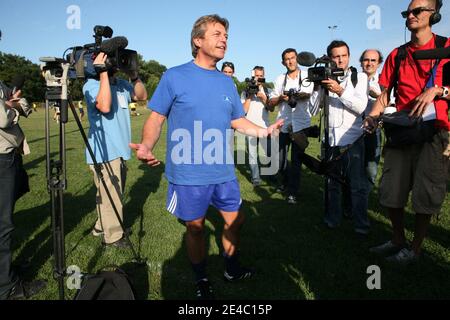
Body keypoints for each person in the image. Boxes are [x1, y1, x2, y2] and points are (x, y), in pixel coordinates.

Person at [130, 14, 282, 300]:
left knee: (236, 221)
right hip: (188, 174)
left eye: (225, 35)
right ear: (198, 41)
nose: (224, 39)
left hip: (223, 172)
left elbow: (237, 120)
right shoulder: (174, 76)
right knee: (196, 228)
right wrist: (147, 145)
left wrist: (264, 131)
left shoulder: (227, 83)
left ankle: (231, 269)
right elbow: (156, 117)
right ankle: (201, 278)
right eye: (216, 34)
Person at [365, 0, 450, 264]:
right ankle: (398, 238)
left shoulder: (447, 48)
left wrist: (438, 90)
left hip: (434, 132)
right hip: (401, 132)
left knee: (426, 193)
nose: (411, 16)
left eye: (418, 11)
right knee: (391, 190)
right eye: (408, 12)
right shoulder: (397, 54)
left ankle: (415, 248)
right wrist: (372, 116)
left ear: (433, 15)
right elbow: (384, 94)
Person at [83, 52, 148, 248]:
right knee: (111, 194)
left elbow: (142, 96)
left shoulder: (120, 84)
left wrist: (134, 75)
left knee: (110, 193)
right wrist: (102, 74)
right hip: (104, 150)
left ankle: (101, 226)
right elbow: (103, 106)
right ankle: (113, 237)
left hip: (119, 149)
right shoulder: (92, 85)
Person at [310, 40, 370, 235]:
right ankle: (332, 221)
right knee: (332, 185)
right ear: (329, 58)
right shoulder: (325, 78)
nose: (340, 60)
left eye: (344, 55)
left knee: (357, 186)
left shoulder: (358, 77)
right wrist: (318, 87)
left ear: (349, 57)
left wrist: (340, 90)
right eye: (336, 56)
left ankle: (361, 225)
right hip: (330, 140)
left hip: (353, 140)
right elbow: (312, 110)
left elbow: (361, 107)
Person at [0, 80, 45, 299]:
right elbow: (2, 118)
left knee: (5, 220)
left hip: (9, 155)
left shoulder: (2, 83)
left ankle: (5, 272)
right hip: (1, 158)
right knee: (3, 225)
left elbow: (24, 106)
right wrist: (10, 106)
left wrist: (11, 104)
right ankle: (6, 286)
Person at [268, 48, 313, 204]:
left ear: (297, 59)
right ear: (283, 62)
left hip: (301, 124)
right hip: (284, 123)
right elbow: (271, 102)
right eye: (287, 59)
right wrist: (281, 97)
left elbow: (308, 94)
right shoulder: (280, 79)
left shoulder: (307, 77)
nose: (290, 61)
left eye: (292, 58)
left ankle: (292, 192)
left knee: (296, 160)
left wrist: (294, 95)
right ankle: (286, 181)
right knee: (280, 160)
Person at [241, 66, 271, 186]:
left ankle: (271, 175)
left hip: (264, 126)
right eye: (256, 76)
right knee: (252, 154)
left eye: (260, 76)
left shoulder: (267, 91)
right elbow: (243, 111)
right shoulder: (245, 91)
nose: (258, 78)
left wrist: (263, 97)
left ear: (263, 77)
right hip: (250, 126)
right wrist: (250, 95)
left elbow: (271, 108)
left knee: (269, 152)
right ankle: (256, 178)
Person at [360, 49, 384, 189]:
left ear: (379, 63)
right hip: (354, 131)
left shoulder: (384, 83)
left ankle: (365, 199)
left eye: (373, 60)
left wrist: (379, 96)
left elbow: (391, 107)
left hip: (372, 131)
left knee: (371, 169)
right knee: (352, 169)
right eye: (366, 60)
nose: (369, 63)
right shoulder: (353, 80)